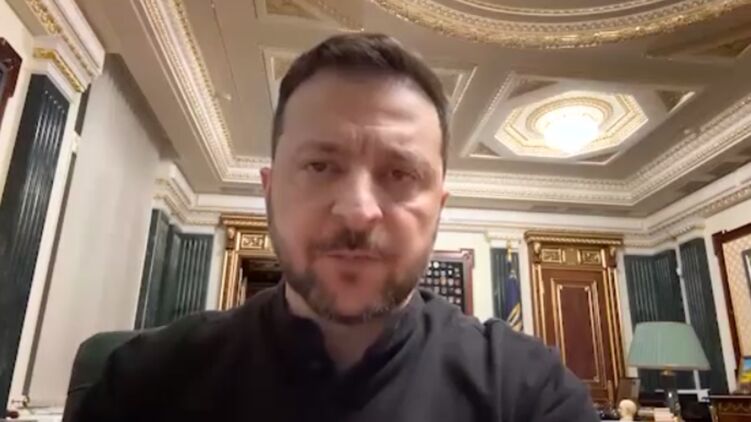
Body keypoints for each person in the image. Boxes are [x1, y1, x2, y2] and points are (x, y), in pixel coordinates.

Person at [77, 33, 597, 422]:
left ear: (439, 207)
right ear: (269, 190)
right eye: (320, 166)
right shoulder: (144, 384)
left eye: (400, 173)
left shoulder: (530, 394)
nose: (357, 211)